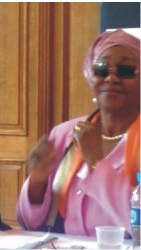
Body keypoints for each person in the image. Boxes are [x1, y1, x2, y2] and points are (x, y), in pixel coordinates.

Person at [17, 29, 140, 238]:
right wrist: (37, 182)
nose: (111, 77)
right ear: (91, 77)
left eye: (125, 70)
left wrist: (96, 161)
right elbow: (28, 223)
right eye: (101, 69)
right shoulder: (65, 133)